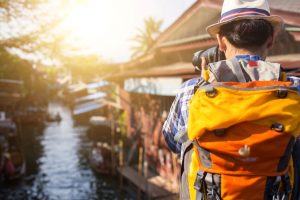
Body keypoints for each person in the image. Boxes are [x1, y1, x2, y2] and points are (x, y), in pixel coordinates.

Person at [161, 0, 300, 199]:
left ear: (220, 41)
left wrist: (206, 82)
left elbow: (171, 141)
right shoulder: (294, 90)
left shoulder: (191, 91)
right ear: (271, 38)